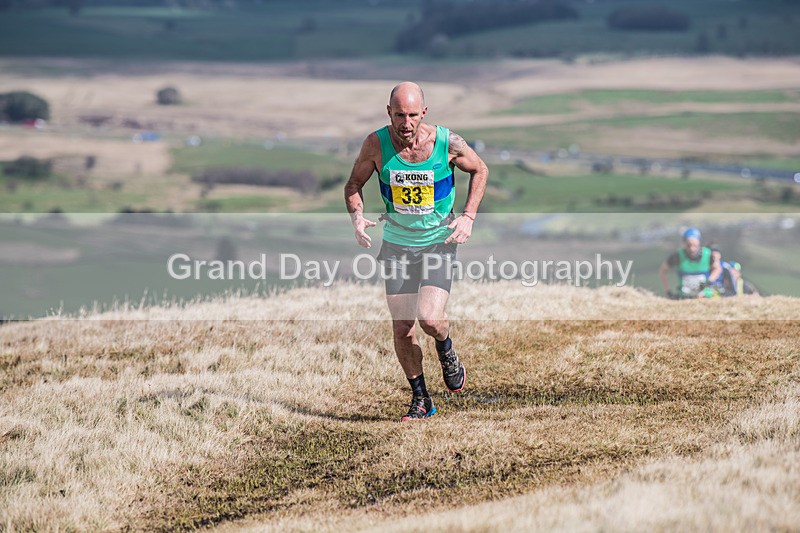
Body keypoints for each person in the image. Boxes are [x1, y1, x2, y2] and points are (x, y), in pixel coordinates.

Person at [343, 82, 488, 421]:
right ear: (388, 113)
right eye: (398, 116)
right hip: (397, 244)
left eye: (411, 115)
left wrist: (468, 217)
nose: (405, 124)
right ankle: (421, 399)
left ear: (424, 112)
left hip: (439, 240)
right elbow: (353, 184)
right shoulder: (374, 144)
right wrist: (358, 218)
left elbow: (480, 170)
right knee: (403, 327)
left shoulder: (446, 142)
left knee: (430, 319)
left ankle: (446, 349)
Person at [659, 227, 722, 299]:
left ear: (699, 242)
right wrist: (668, 291)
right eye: (689, 245)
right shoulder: (677, 256)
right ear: (684, 243)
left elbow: (717, 269)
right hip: (684, 297)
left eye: (695, 245)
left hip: (704, 296)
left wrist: (709, 281)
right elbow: (662, 271)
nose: (692, 249)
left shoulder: (707, 254)